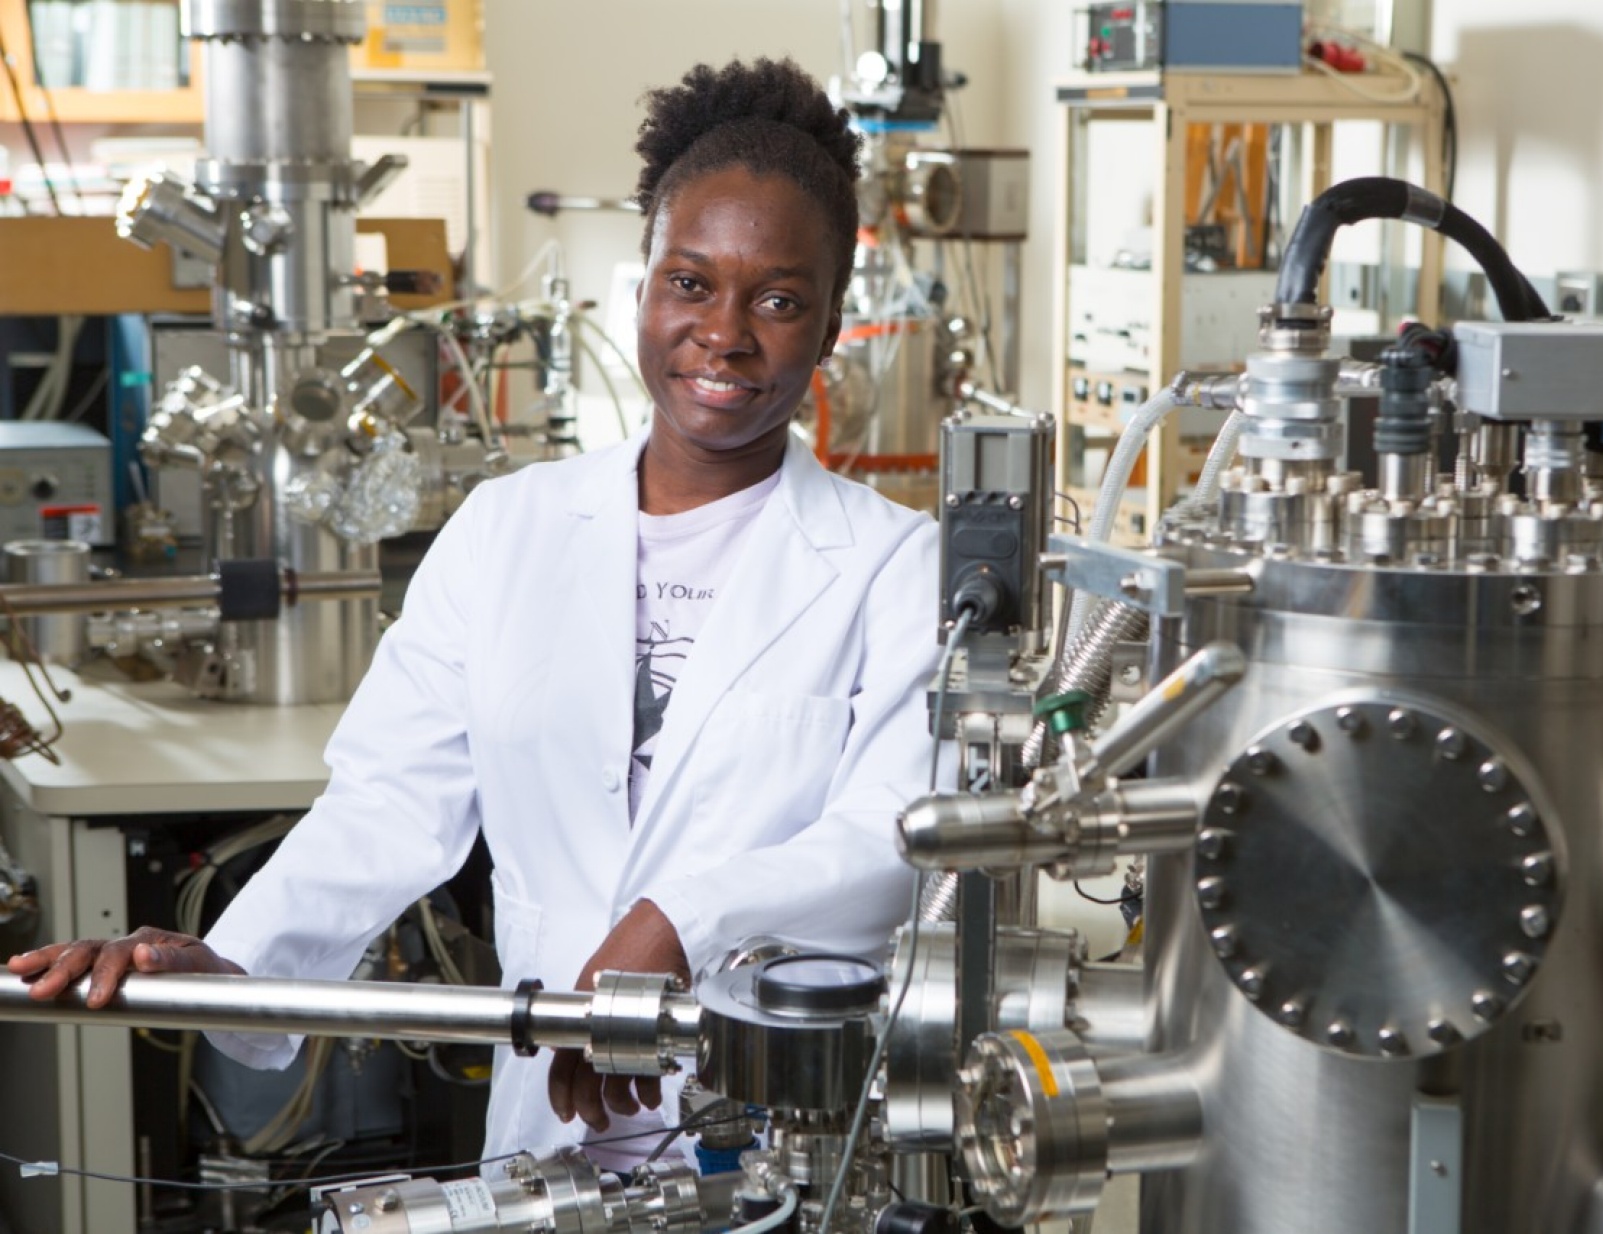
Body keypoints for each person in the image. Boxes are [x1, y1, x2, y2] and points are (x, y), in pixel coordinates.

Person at [6, 58, 940, 1170]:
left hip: (788, 1134)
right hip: (550, 1131)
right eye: (690, 282)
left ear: (830, 325)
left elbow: (895, 834)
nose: (724, 333)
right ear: (639, 284)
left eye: (778, 299)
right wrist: (233, 961)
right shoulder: (510, 528)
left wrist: (680, 920)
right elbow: (390, 803)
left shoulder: (893, 562)